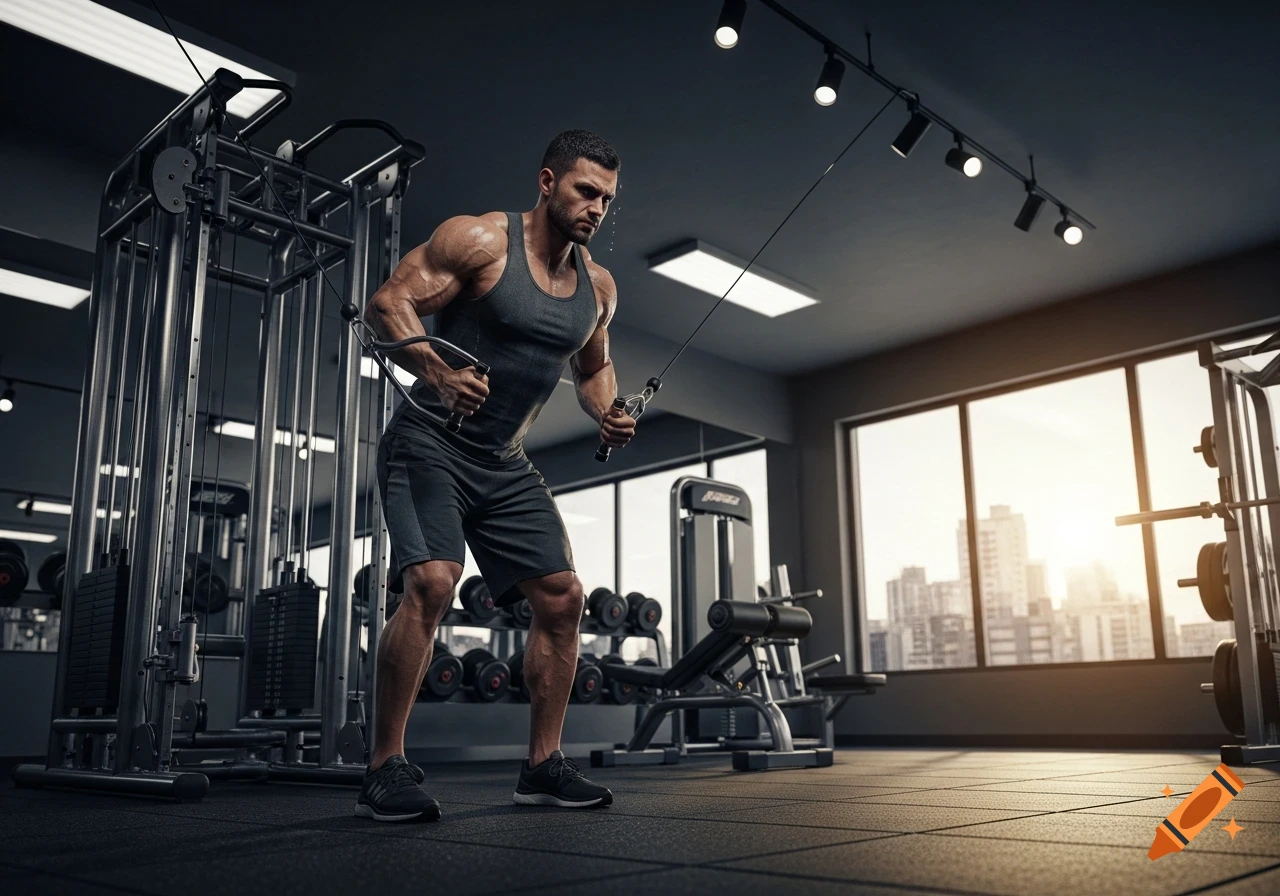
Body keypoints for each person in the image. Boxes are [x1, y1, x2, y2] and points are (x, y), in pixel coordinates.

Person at [356, 130, 635, 822]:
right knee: (432, 582)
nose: (596, 207)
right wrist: (440, 373)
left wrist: (608, 414)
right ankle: (384, 767)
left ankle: (542, 767)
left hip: (504, 463)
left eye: (607, 199)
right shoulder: (479, 242)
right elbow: (387, 304)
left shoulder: (597, 287)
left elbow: (593, 370)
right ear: (547, 182)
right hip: (429, 442)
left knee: (565, 598)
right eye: (585, 190)